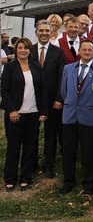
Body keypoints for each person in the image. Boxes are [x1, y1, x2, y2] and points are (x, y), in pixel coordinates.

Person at [58, 39, 93, 196]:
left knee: (89, 152)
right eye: (84, 49)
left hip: (90, 117)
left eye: (90, 50)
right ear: (79, 51)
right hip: (69, 116)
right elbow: (63, 91)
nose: (87, 52)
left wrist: (92, 106)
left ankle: (88, 182)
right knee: (68, 151)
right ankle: (68, 181)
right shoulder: (68, 69)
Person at [1, 38, 47, 192]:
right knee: (13, 147)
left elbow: (42, 90)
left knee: (29, 147)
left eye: (26, 48)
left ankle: (26, 177)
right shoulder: (10, 67)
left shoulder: (36, 66)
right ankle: (10, 178)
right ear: (15, 49)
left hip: (33, 113)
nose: (23, 51)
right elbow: (5, 91)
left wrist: (43, 111)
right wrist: (11, 110)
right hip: (16, 114)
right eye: (20, 48)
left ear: (29, 50)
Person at [30, 20, 65, 179]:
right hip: (31, 100)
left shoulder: (58, 52)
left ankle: (48, 165)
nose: (44, 33)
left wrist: (59, 98)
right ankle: (32, 163)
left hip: (52, 101)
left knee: (50, 135)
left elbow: (61, 77)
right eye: (41, 30)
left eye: (47, 31)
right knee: (31, 134)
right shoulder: (29, 51)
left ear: (51, 33)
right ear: (36, 32)